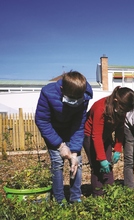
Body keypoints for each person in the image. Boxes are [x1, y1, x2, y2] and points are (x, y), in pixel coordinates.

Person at [35, 70, 93, 204]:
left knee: (76, 161)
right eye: (71, 97)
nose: (74, 101)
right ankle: (59, 199)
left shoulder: (84, 96)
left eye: (77, 98)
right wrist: (60, 145)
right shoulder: (47, 93)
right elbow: (42, 121)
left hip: (72, 131)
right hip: (53, 131)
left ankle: (75, 198)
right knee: (57, 162)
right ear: (62, 89)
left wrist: (73, 151)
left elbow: (79, 124)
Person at [83, 86, 134, 197]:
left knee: (108, 166)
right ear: (116, 101)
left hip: (105, 136)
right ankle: (98, 195)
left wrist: (117, 148)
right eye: (123, 110)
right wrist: (101, 159)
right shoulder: (100, 108)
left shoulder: (121, 109)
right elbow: (96, 136)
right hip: (90, 136)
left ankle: (110, 193)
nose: (124, 113)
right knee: (97, 167)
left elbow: (120, 129)